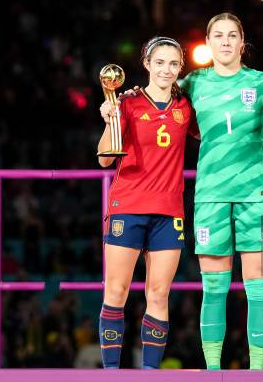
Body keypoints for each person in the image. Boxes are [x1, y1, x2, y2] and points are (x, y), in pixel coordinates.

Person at [180, 12, 263, 370]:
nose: (225, 41)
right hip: (211, 196)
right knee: (213, 288)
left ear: (242, 42)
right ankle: (214, 372)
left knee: (259, 288)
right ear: (208, 42)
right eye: (218, 35)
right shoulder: (192, 83)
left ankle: (256, 373)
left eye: (232, 35)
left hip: (256, 195)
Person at [96, 36, 198, 369]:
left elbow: (214, 132)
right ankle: (111, 372)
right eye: (160, 63)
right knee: (117, 290)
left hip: (169, 213)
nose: (166, 70)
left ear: (180, 67)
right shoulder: (127, 102)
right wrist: (111, 117)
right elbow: (103, 160)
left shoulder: (186, 106)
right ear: (147, 64)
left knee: (158, 295)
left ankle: (150, 374)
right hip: (128, 206)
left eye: (173, 64)